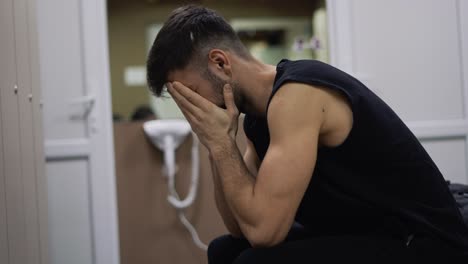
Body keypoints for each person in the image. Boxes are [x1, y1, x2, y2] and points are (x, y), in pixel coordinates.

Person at [146, 5, 468, 263]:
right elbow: (239, 227)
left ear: (220, 63)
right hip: (369, 229)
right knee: (223, 250)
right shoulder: (259, 118)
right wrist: (216, 145)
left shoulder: (298, 95)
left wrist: (221, 143)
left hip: (425, 242)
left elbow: (264, 231)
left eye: (191, 92)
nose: (193, 108)